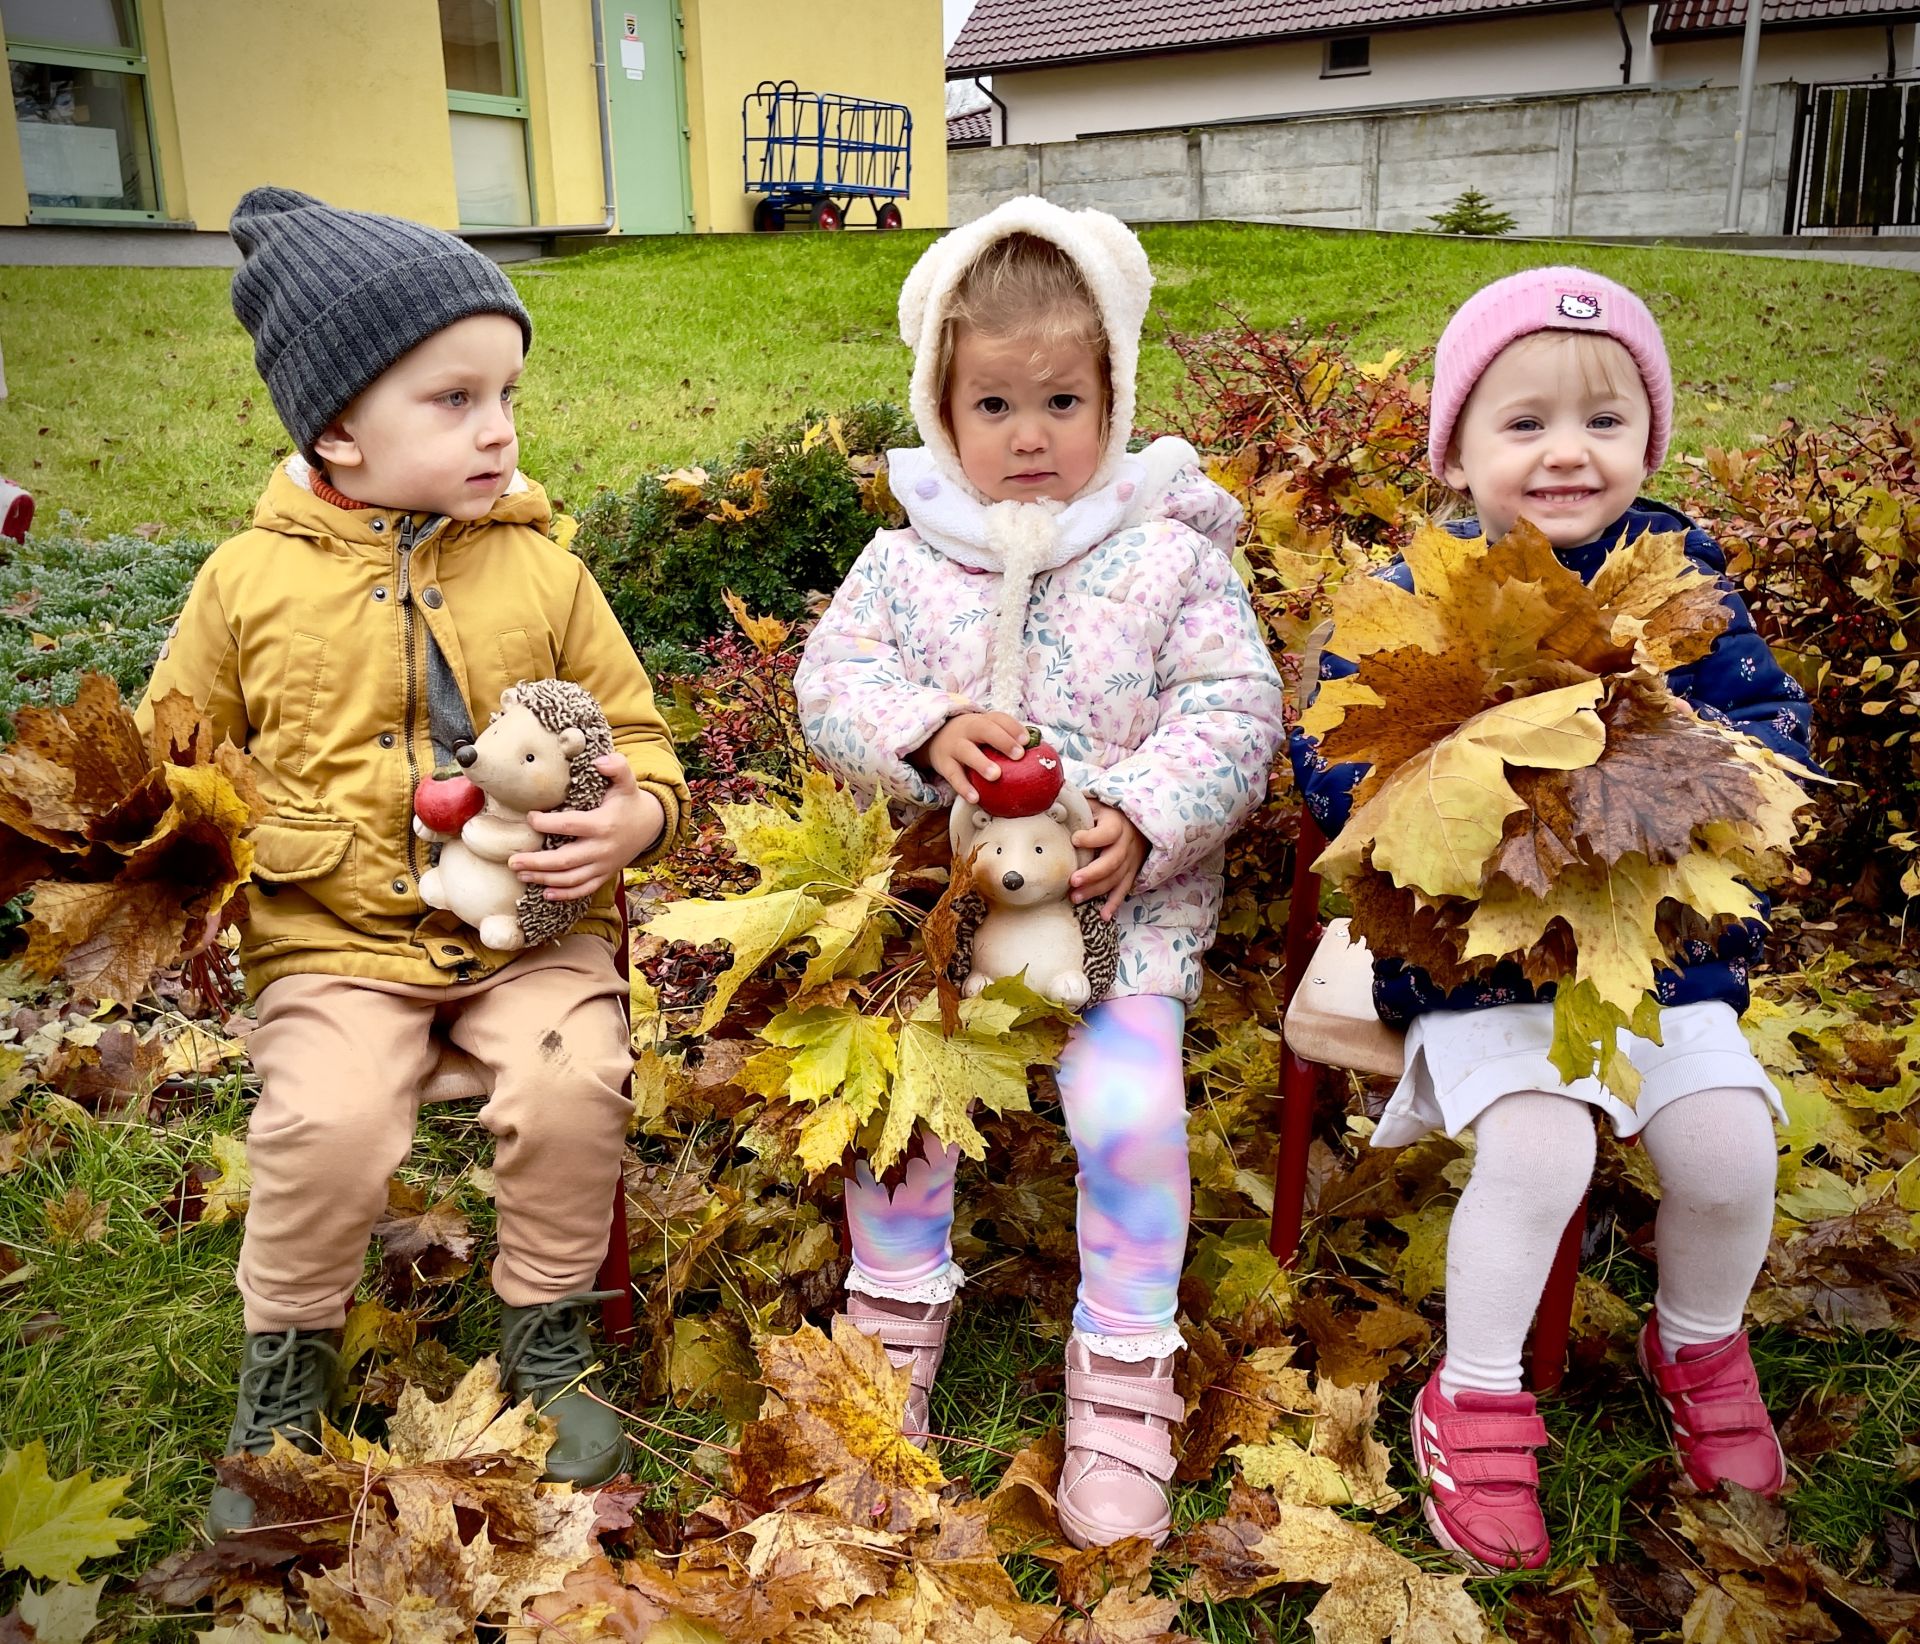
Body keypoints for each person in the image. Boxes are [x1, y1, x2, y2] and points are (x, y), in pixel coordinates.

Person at [138, 187, 688, 1534]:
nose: (498, 428)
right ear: (337, 427)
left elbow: (642, 742)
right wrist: (179, 859)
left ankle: (548, 1339)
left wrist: (638, 821)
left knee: (573, 1079)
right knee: (325, 1123)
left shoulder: (545, 576)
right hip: (333, 940)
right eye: (453, 400)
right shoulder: (245, 585)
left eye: (506, 395)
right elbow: (173, 760)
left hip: (535, 931)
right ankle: (285, 1370)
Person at [1290, 266, 1815, 1573]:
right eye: (1524, 423)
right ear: (1457, 451)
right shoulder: (1419, 593)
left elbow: (1774, 730)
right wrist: (1468, 785)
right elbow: (1336, 755)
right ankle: (1473, 1391)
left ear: (1649, 443)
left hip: (1654, 954)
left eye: (1604, 421)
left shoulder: (1681, 586)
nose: (1567, 452)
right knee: (1539, 1151)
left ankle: (1697, 1342)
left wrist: (1700, 770)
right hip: (1479, 962)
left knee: (1728, 1149)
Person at [796, 197, 1286, 1548]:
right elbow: (833, 684)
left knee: (1127, 1113)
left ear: (1112, 401)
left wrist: (1143, 810)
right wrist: (922, 729)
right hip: (946, 923)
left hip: (1119, 918)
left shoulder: (1170, 554)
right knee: (905, 1107)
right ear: (941, 411)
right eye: (994, 405)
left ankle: (1123, 1370)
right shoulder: (903, 564)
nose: (1029, 436)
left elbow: (1235, 710)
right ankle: (891, 1324)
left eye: (1062, 401)